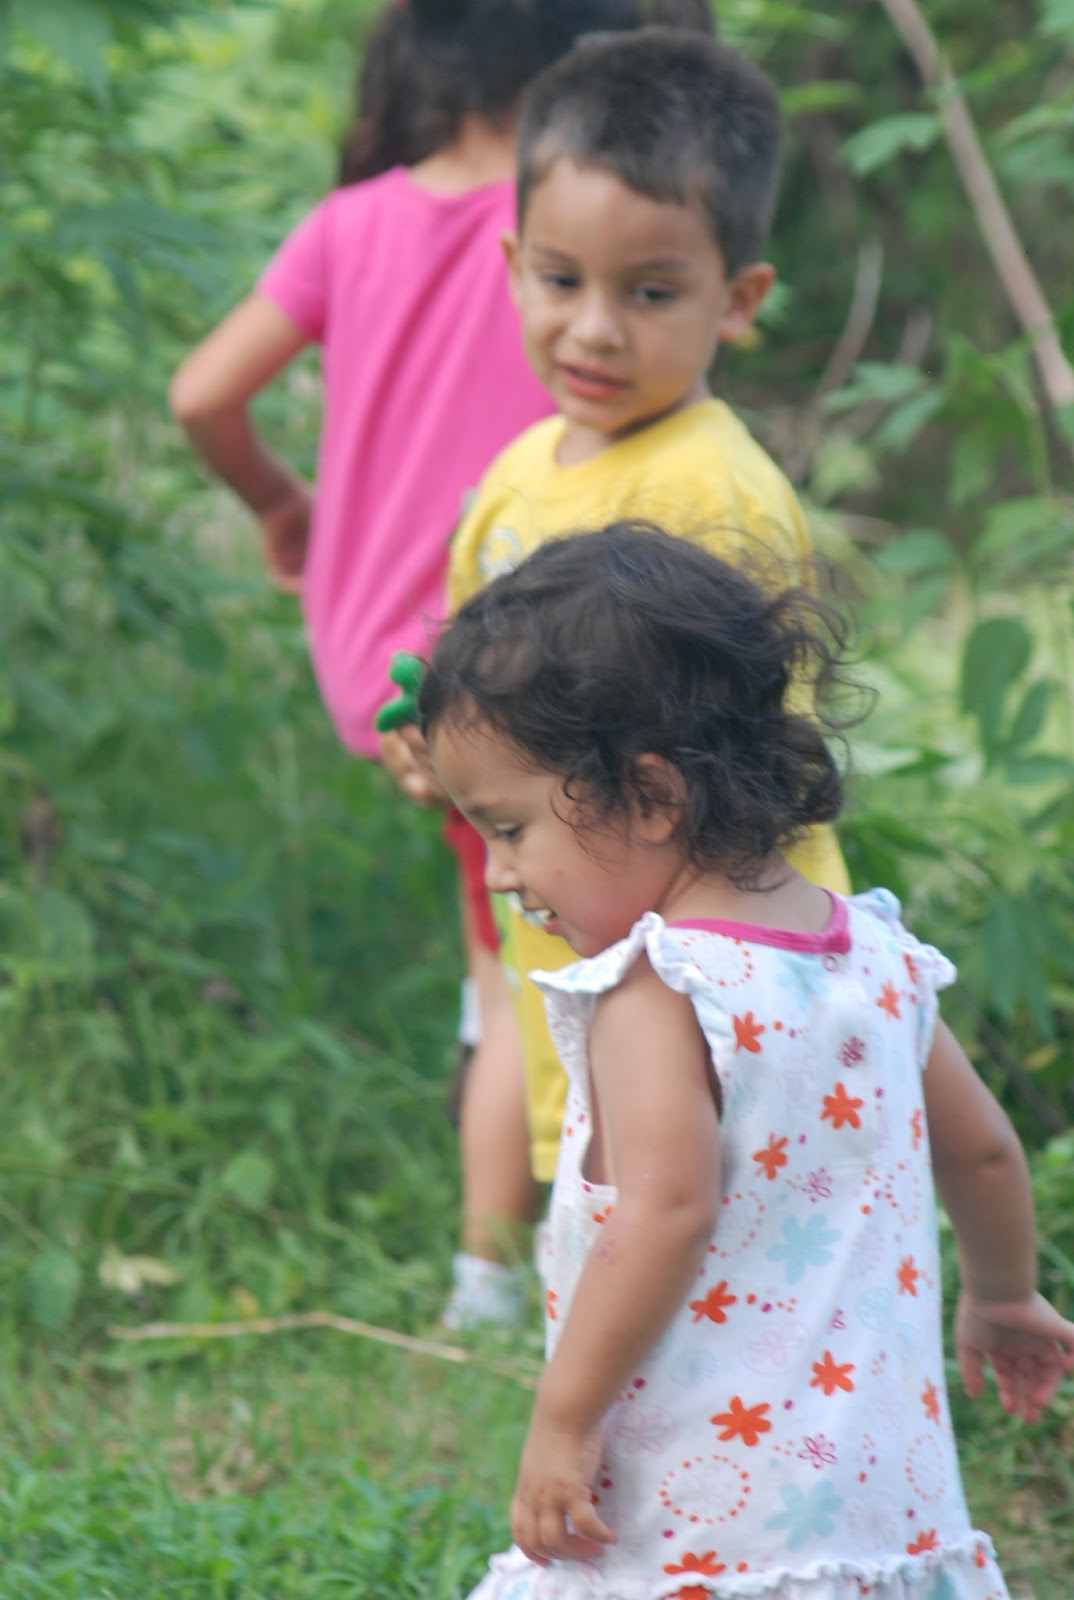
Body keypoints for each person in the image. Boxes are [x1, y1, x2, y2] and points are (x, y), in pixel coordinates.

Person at [169, 0, 714, 1331]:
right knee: (530, 956)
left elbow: (201, 394)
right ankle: (496, 1272)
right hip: (524, 654)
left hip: (376, 658)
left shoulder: (352, 222)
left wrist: (281, 505)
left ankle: (514, 1256)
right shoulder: (582, 224)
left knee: (506, 931)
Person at [421, 523, 1074, 1600]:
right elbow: (987, 1153)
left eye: (510, 828)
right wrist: (1003, 1294)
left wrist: (564, 1417)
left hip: (707, 1521)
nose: (496, 874)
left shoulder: (662, 987)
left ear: (652, 796)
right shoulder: (879, 957)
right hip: (881, 1505)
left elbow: (665, 1211)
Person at [439, 26, 850, 1189]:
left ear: (739, 298)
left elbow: (746, 760)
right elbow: (471, 687)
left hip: (706, 970)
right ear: (514, 263)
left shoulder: (708, 491)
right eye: (561, 280)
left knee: (691, 1212)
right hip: (576, 928)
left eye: (652, 291)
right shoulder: (519, 474)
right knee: (611, 1197)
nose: (596, 328)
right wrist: (432, 742)